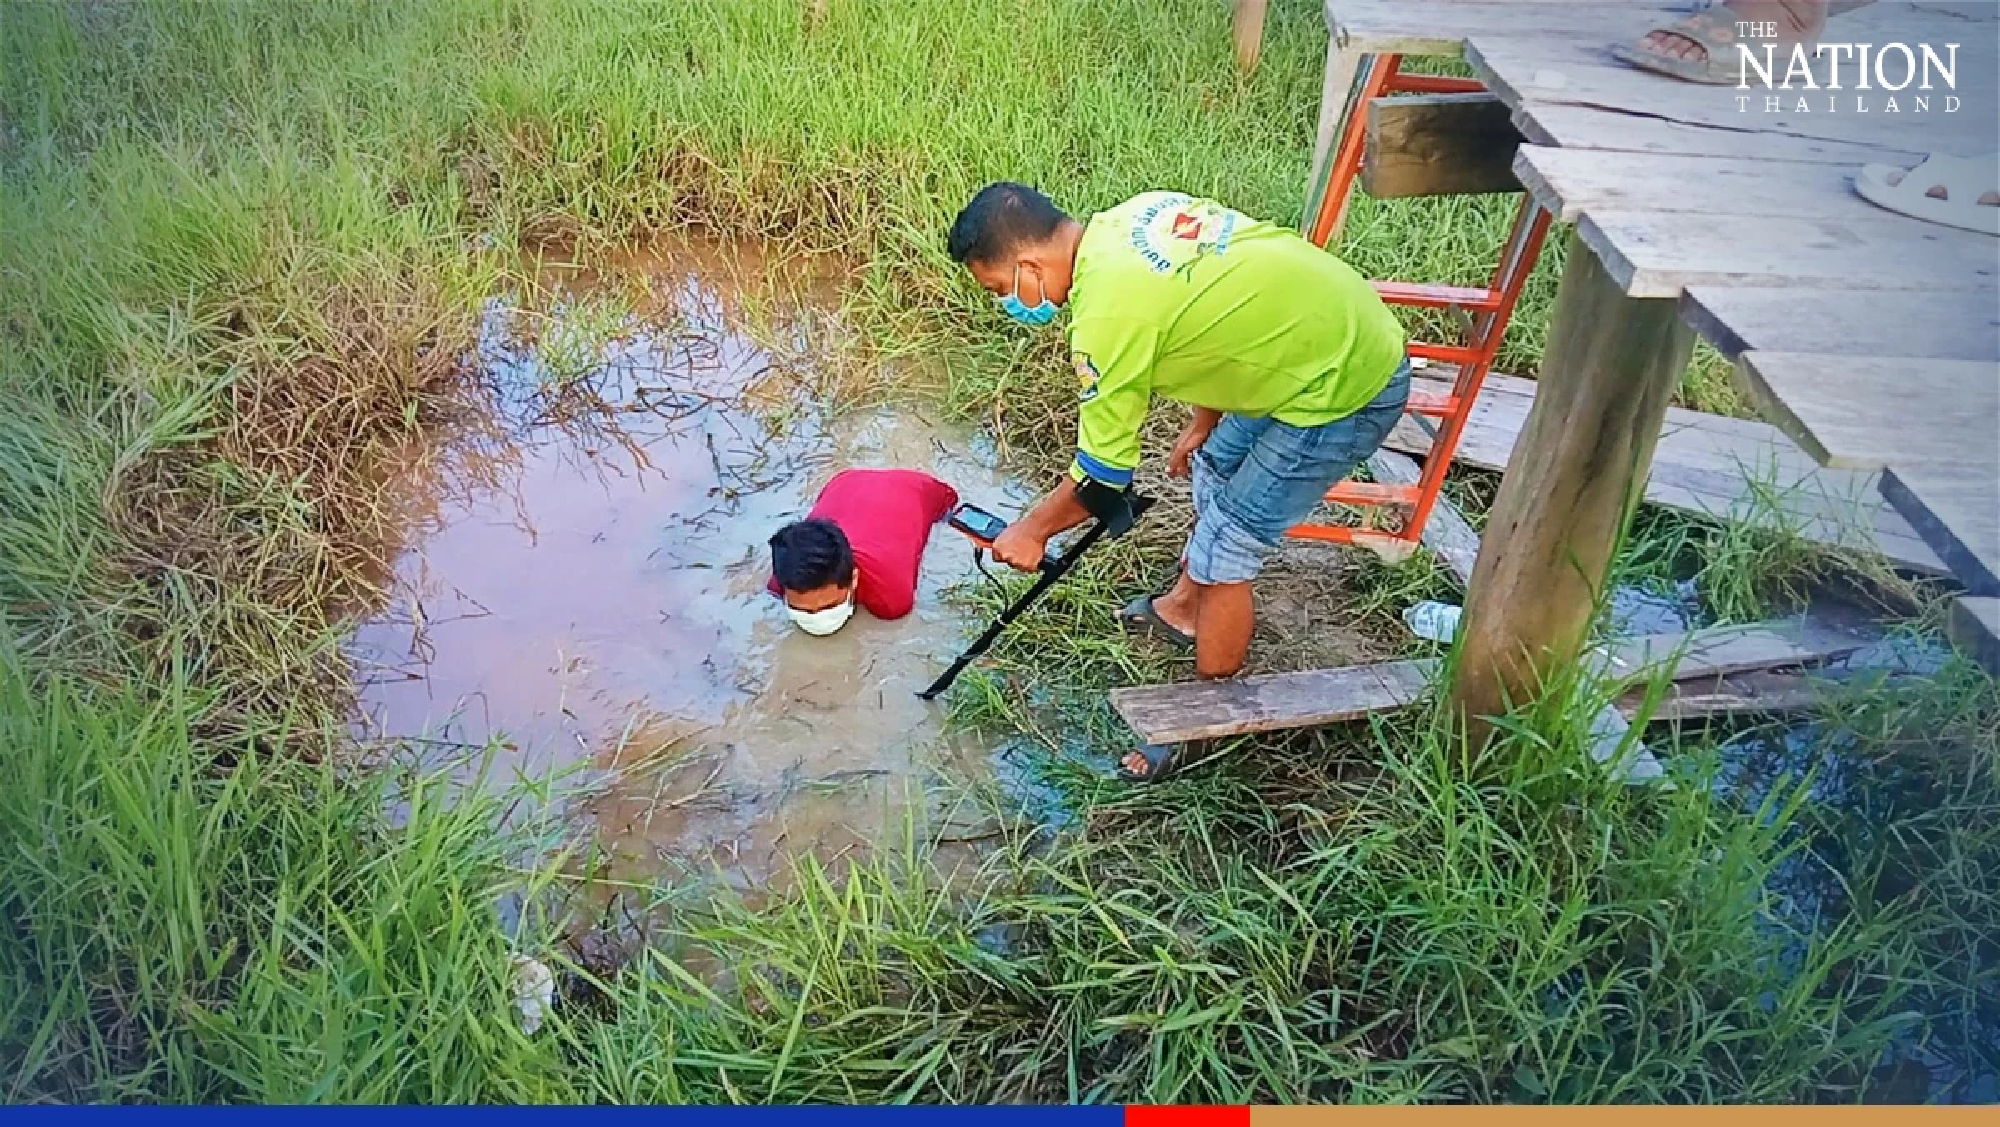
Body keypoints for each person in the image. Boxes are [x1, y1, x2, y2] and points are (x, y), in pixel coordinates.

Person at [946, 182, 1410, 780]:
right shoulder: (1132, 216)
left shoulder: (1106, 316)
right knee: (1213, 466)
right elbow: (1217, 305)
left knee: (1231, 540)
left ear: (1029, 265)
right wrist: (1206, 414)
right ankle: (1185, 610)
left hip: (1345, 384)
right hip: (1330, 334)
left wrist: (1031, 531)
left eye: (999, 289)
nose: (1006, 303)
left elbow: (1103, 478)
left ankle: (1204, 719)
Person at [767, 468, 958, 635]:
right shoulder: (783, 578)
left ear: (854, 578)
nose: (817, 617)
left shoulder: (891, 599)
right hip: (844, 480)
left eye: (830, 606)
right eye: (802, 610)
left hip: (919, 487)